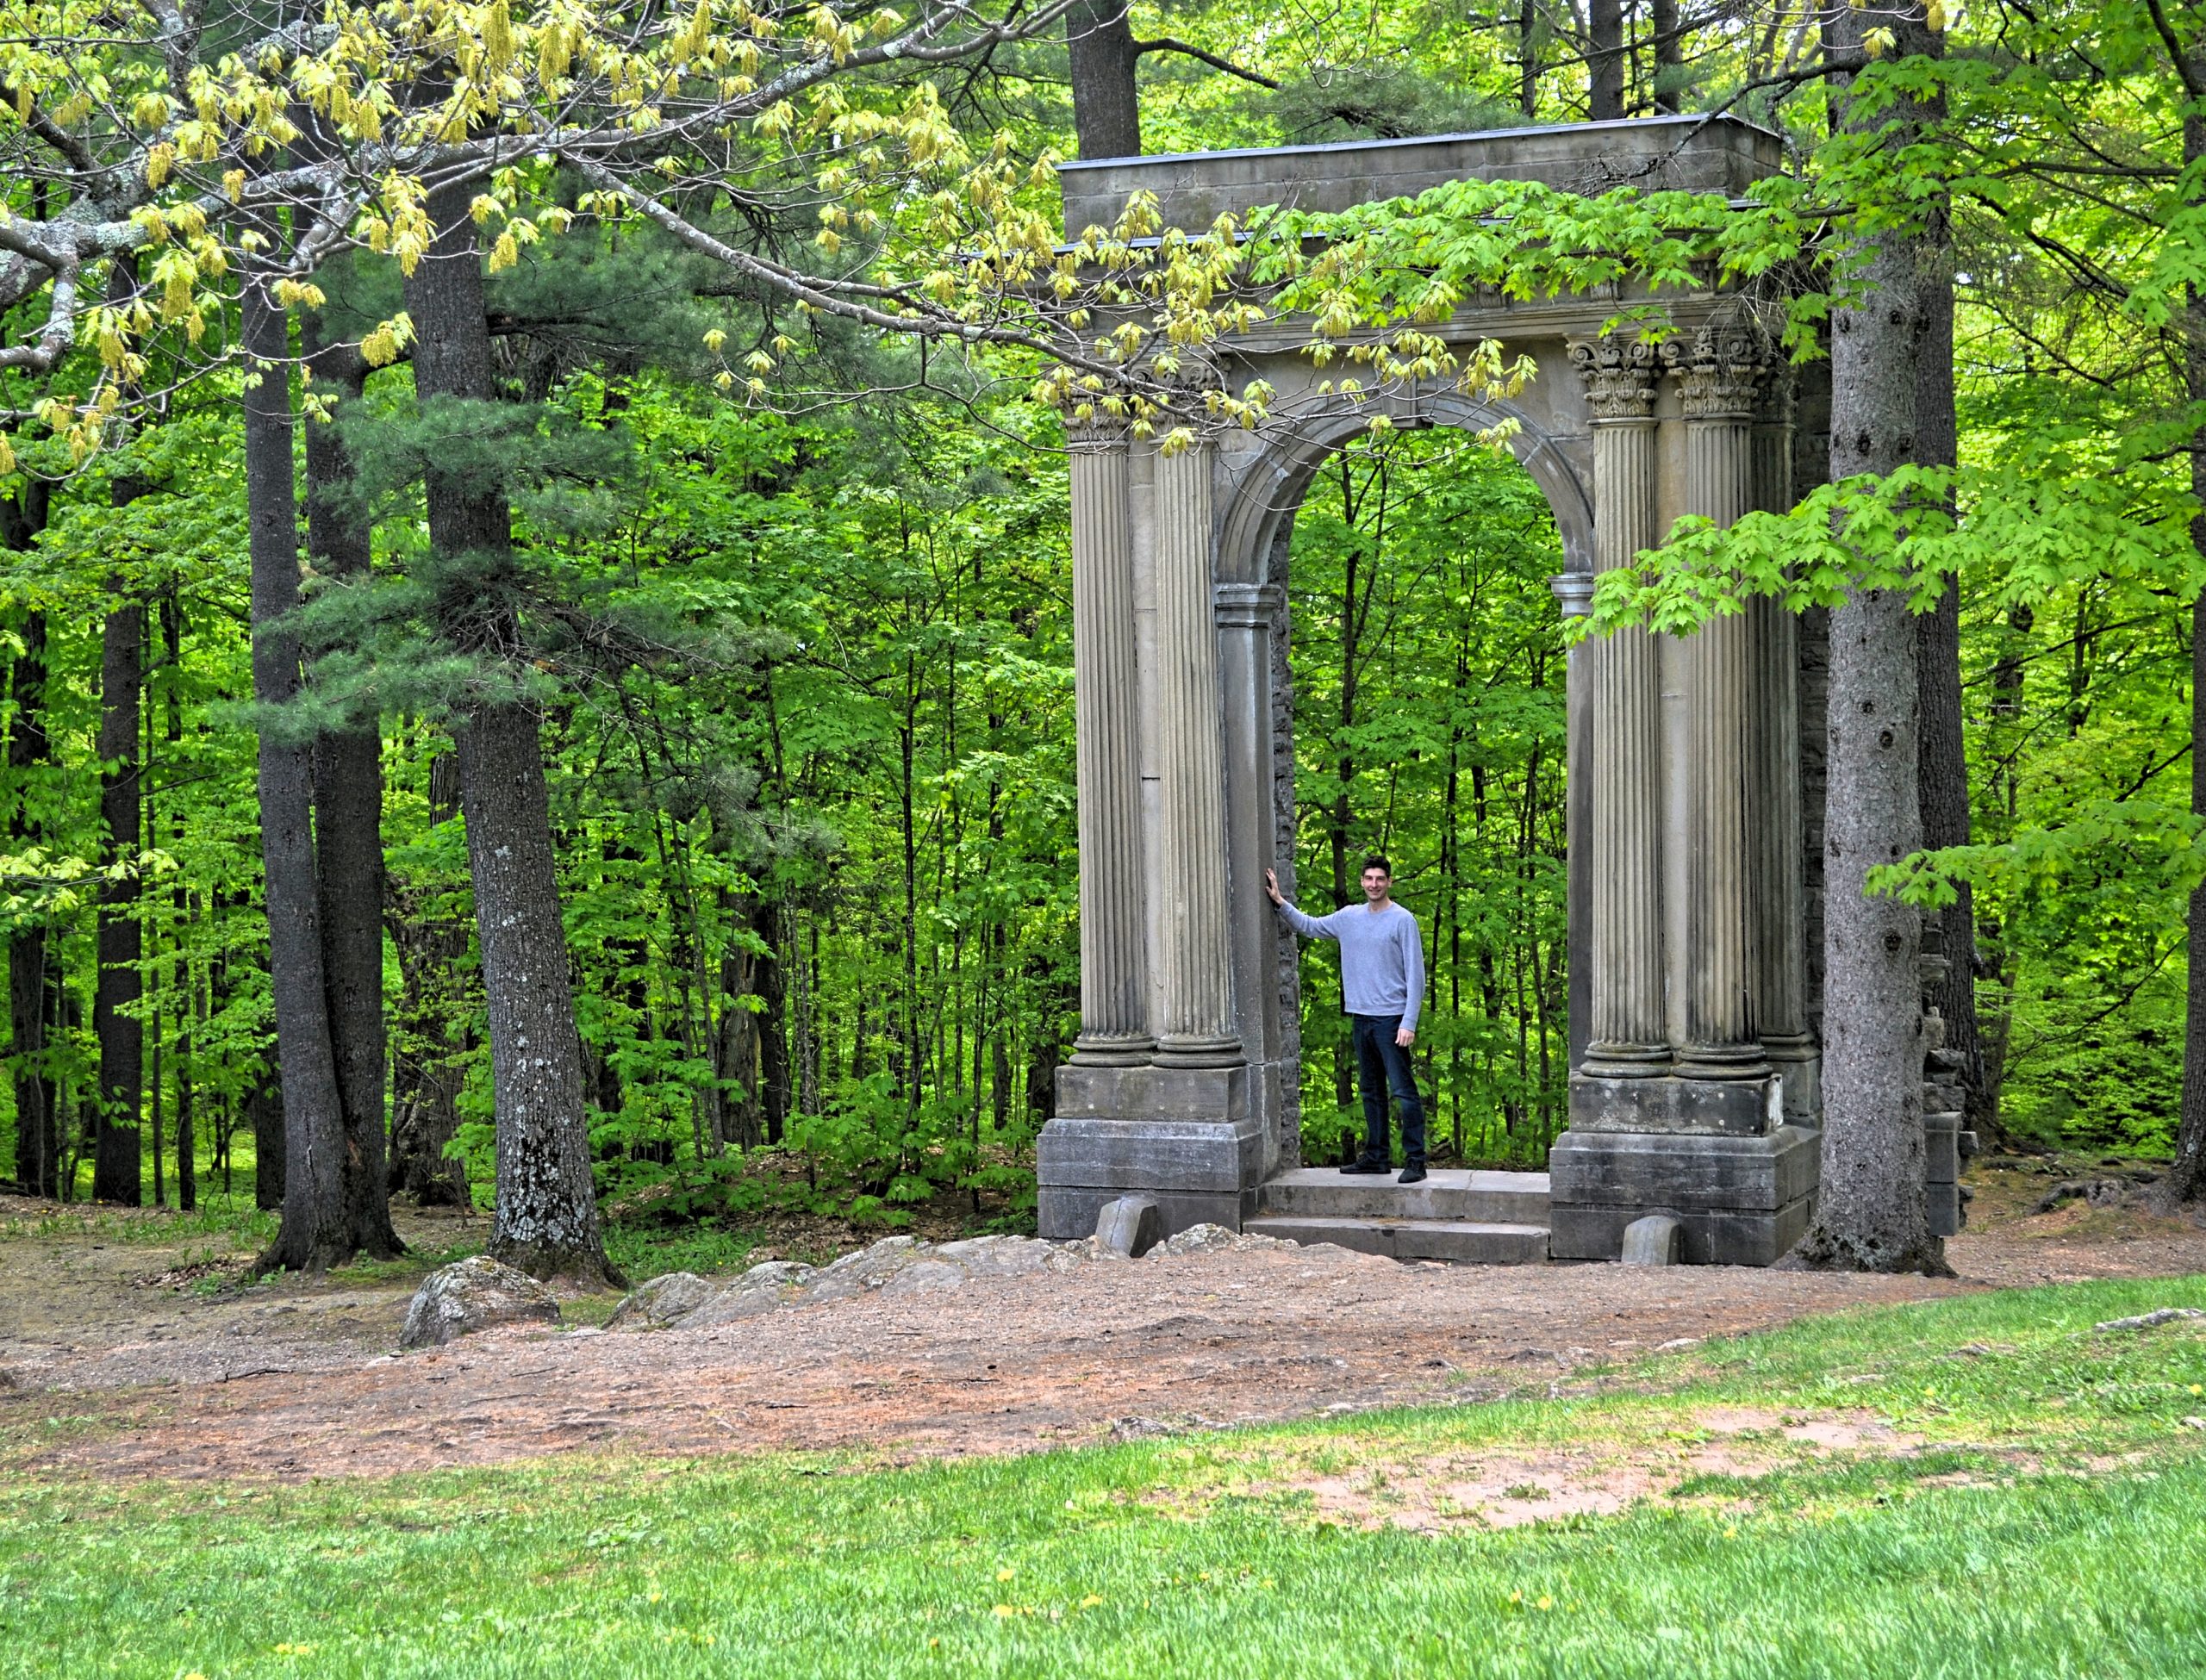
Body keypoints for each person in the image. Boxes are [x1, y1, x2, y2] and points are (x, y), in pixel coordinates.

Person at [1265, 856, 1429, 1184]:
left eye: (1380, 878)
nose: (1374, 884)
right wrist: (1281, 903)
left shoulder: (1402, 920)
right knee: (1370, 1091)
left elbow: (1416, 974)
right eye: (1368, 878)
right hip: (1361, 1019)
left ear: (1389, 882)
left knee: (1403, 1092)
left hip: (1392, 1020)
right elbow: (1310, 926)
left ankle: (1416, 1161)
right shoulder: (1349, 917)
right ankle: (1377, 1158)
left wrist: (1408, 1022)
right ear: (1361, 882)